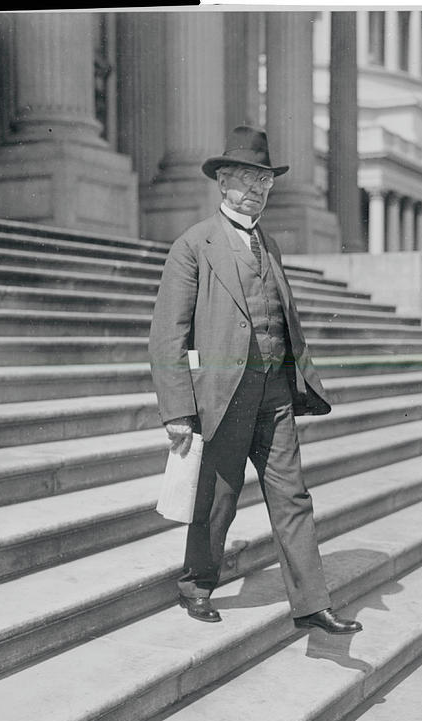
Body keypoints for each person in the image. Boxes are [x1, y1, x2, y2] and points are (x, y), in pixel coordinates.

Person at [148, 125, 362, 635]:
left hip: (276, 392)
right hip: (222, 395)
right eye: (246, 181)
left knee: (293, 497)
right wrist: (178, 410)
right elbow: (166, 336)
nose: (256, 191)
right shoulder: (192, 245)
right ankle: (197, 586)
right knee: (216, 498)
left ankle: (312, 603)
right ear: (222, 182)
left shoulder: (269, 244)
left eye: (264, 182)